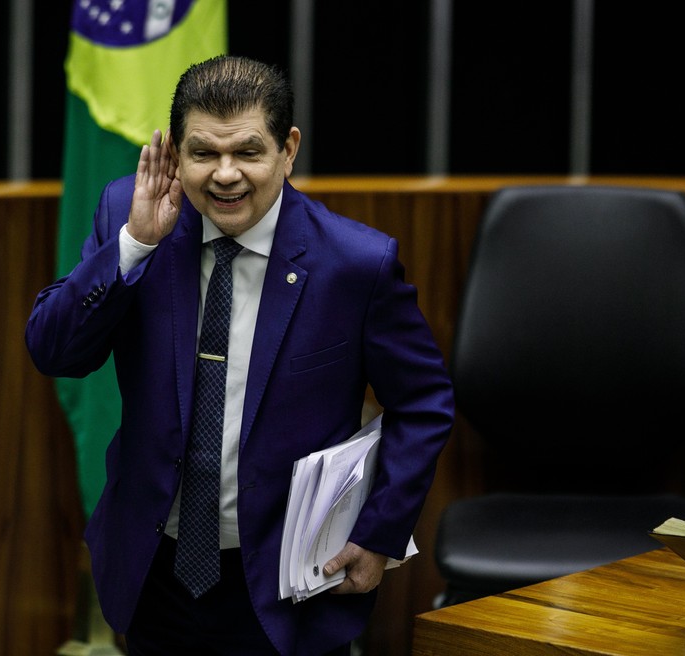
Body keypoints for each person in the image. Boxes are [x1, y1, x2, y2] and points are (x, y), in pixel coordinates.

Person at [26, 55, 454, 656]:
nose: (226, 175)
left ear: (288, 149)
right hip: (156, 572)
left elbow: (425, 402)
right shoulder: (132, 216)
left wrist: (379, 531)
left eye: (248, 152)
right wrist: (134, 246)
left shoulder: (354, 264)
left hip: (289, 585)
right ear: (175, 152)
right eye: (203, 154)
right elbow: (53, 351)